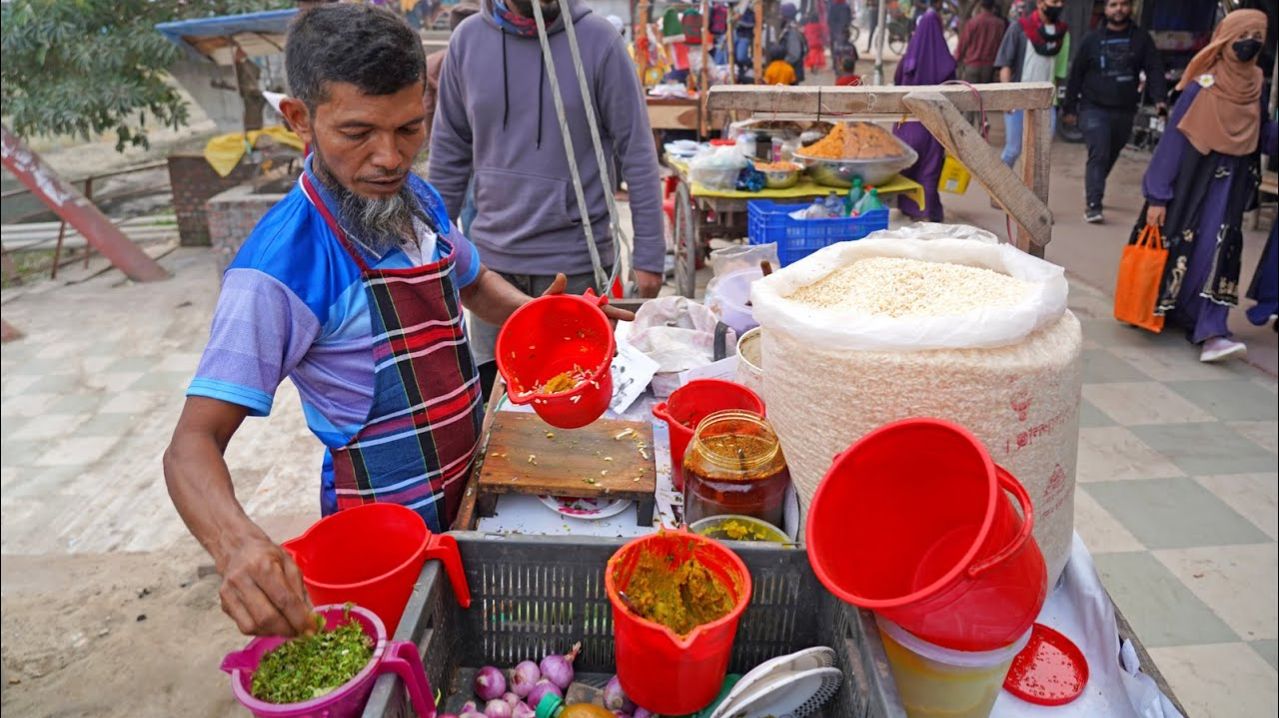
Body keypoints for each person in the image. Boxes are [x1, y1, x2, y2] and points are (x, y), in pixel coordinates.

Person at [164, 4, 632, 638]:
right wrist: (235, 545)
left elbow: (471, 281)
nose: (389, 158)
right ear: (300, 119)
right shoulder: (278, 270)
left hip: (468, 490)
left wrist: (544, 327)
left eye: (410, 129)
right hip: (384, 540)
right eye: (358, 133)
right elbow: (191, 446)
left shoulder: (420, 201)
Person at [429, 0, 664, 397]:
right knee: (498, 401)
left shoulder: (599, 42)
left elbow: (637, 152)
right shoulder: (467, 42)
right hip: (489, 271)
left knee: (576, 397)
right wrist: (432, 252)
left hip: (575, 265)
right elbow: (448, 155)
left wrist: (650, 254)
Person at [1139, 9, 1275, 363]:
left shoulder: (1257, 84)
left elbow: (1264, 135)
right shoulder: (1202, 86)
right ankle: (1176, 312)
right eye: (1244, 36)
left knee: (1220, 251)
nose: (1251, 44)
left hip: (1232, 184)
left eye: (1258, 38)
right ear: (1225, 39)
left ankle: (1212, 330)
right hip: (1191, 182)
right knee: (1187, 249)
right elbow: (1172, 143)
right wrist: (1157, 194)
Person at [1062, 0, 1166, 224]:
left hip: (1125, 109)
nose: (1119, 9)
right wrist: (1069, 107)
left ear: (1130, 8)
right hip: (1093, 108)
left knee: (1111, 152)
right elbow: (1076, 74)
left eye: (1123, 4)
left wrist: (1160, 100)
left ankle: (1094, 185)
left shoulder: (1141, 39)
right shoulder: (1091, 40)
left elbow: (1154, 69)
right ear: (1105, 9)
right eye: (1113, 4)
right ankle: (1093, 204)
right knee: (1098, 152)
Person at [893, 7, 955, 221]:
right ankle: (927, 213)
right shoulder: (945, 58)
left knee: (908, 169)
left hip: (906, 124)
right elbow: (953, 87)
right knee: (929, 171)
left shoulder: (910, 54)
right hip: (932, 127)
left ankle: (907, 208)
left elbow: (897, 79)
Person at [994, 0, 1069, 168]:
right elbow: (1005, 65)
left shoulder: (1063, 34)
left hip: (1046, 102)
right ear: (1040, 3)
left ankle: (1029, 193)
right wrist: (1008, 97)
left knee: (1040, 153)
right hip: (1018, 99)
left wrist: (1057, 102)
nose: (1058, 5)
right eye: (1053, 1)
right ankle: (999, 191)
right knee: (1013, 150)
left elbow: (1058, 73)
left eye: (1060, 2)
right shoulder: (1019, 28)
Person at [424, 1, 480, 146]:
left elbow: (428, 109)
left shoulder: (433, 62)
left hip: (450, 142)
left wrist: (431, 143)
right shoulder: (491, 60)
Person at [954, 0, 1006, 85]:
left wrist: (957, 59)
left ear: (981, 6)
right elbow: (1001, 46)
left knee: (970, 95)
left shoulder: (972, 22)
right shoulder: (999, 24)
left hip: (972, 65)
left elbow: (963, 44)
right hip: (989, 67)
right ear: (993, 7)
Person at [776, 2, 807, 83]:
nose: (779, 17)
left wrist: (781, 66)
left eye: (781, 14)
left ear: (786, 16)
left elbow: (794, 55)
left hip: (791, 73)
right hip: (790, 72)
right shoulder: (790, 28)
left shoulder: (792, 31)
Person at [828, 0, 852, 73]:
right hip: (843, 31)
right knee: (842, 49)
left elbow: (829, 19)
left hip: (834, 30)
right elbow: (849, 18)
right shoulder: (846, 5)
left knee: (834, 49)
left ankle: (835, 65)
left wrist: (831, 27)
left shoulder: (832, 5)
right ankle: (843, 65)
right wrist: (846, 27)